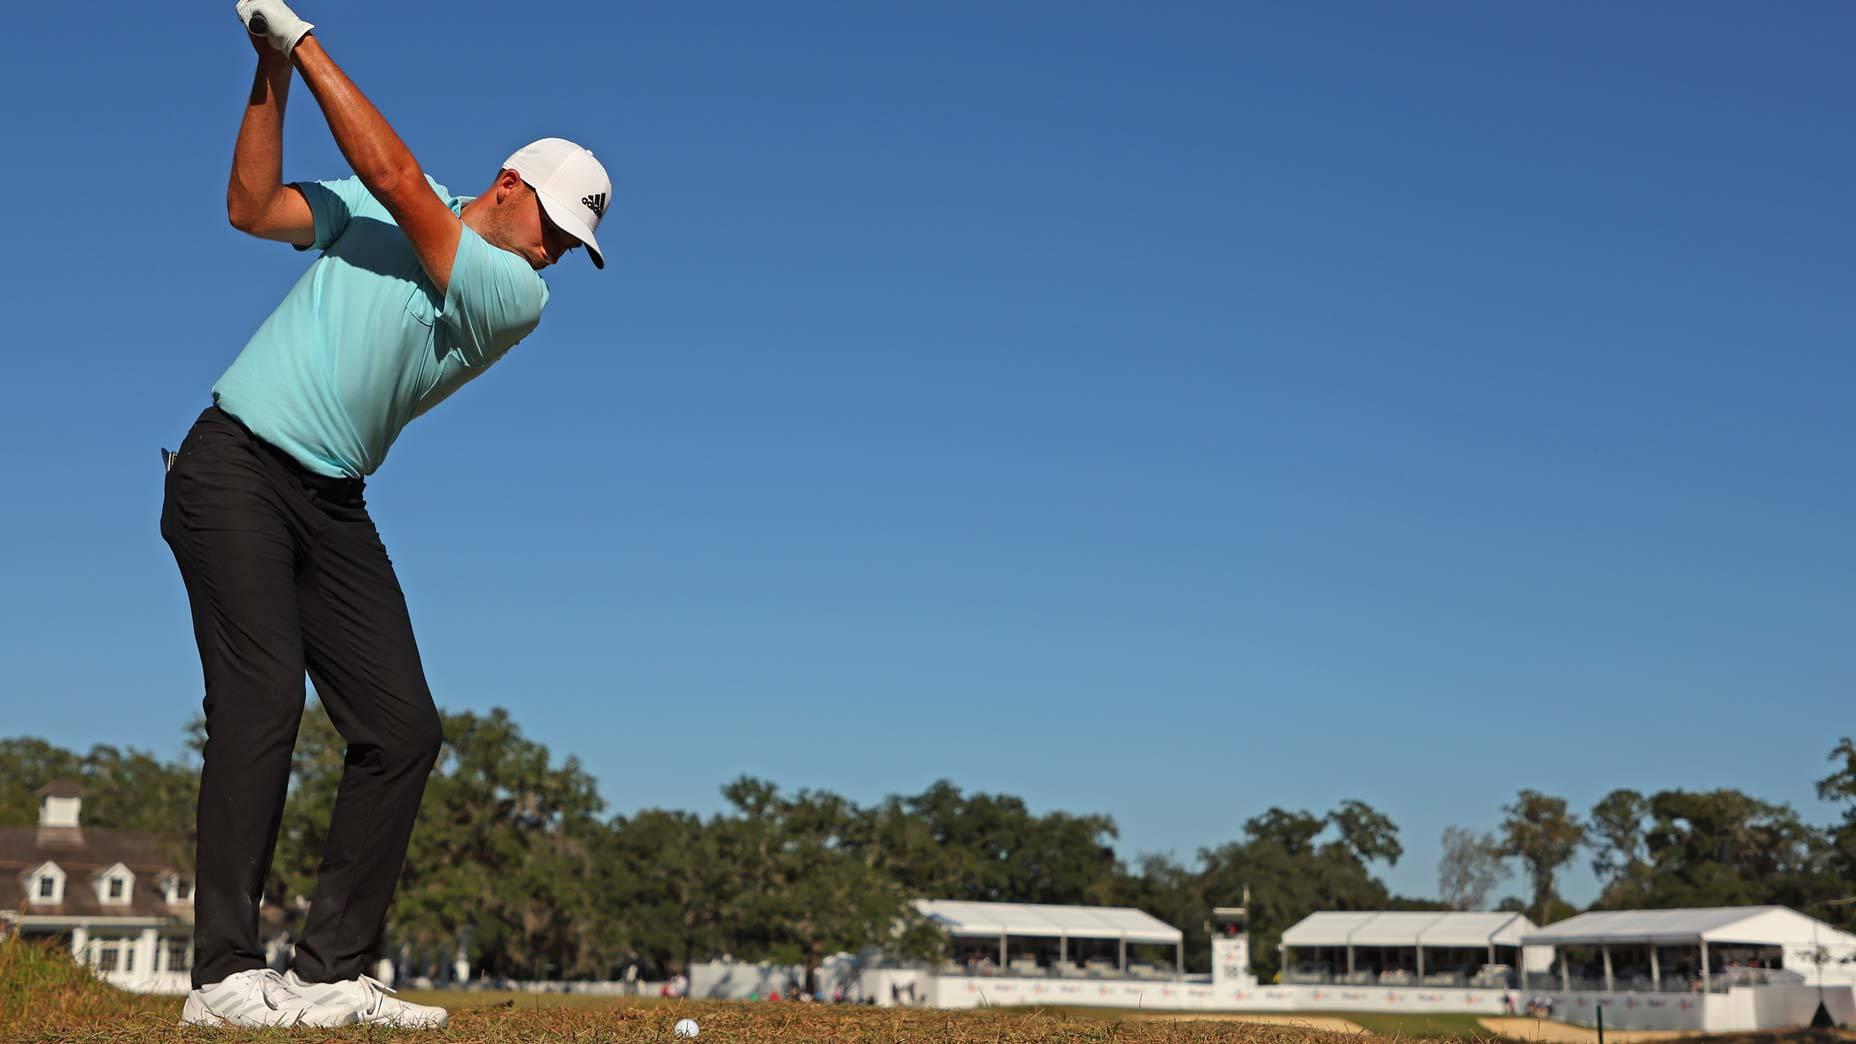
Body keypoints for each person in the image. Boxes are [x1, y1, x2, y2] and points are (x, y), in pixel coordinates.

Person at [164, 0, 610, 1030]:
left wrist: (305, 39)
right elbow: (251, 206)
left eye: (571, 244)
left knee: (402, 729)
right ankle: (223, 979)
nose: (554, 255)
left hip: (331, 500)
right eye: (555, 228)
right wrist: (270, 71)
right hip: (230, 468)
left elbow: (399, 184)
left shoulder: (512, 297)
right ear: (508, 187)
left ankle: (328, 974)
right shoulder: (383, 215)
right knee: (264, 699)